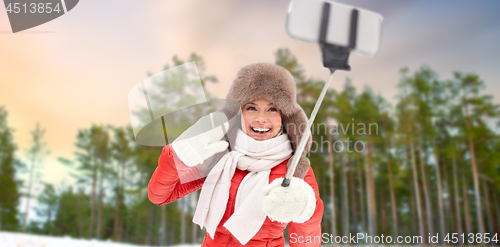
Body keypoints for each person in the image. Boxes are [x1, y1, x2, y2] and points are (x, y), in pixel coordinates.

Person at [148, 63, 324, 247]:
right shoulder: (220, 154)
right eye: (251, 108)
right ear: (237, 114)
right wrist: (181, 154)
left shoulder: (294, 170)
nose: (261, 118)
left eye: (272, 109)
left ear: (285, 117)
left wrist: (306, 210)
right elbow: (159, 196)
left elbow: (306, 243)